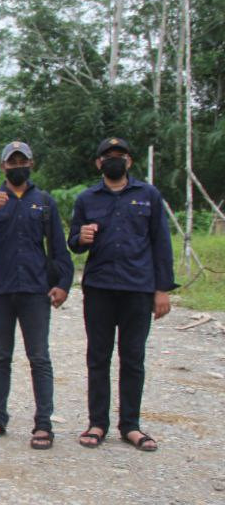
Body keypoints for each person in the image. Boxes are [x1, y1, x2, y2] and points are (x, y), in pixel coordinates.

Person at [68, 137, 176, 452]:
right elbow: (73, 241)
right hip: (100, 288)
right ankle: (97, 422)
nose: (114, 160)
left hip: (138, 288)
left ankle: (131, 425)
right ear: (98, 163)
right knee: (98, 357)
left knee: (133, 358)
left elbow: (161, 242)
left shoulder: (148, 195)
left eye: (120, 155)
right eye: (108, 156)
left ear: (129, 161)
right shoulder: (87, 198)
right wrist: (80, 237)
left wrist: (162, 289)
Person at [0, 141, 74, 450]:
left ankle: (43, 424)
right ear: (3, 166)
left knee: (39, 357)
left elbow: (57, 246)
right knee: (0, 357)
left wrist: (63, 283)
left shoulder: (44, 202)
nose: (17, 167)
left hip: (34, 290)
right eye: (11, 162)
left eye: (22, 162)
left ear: (31, 164)